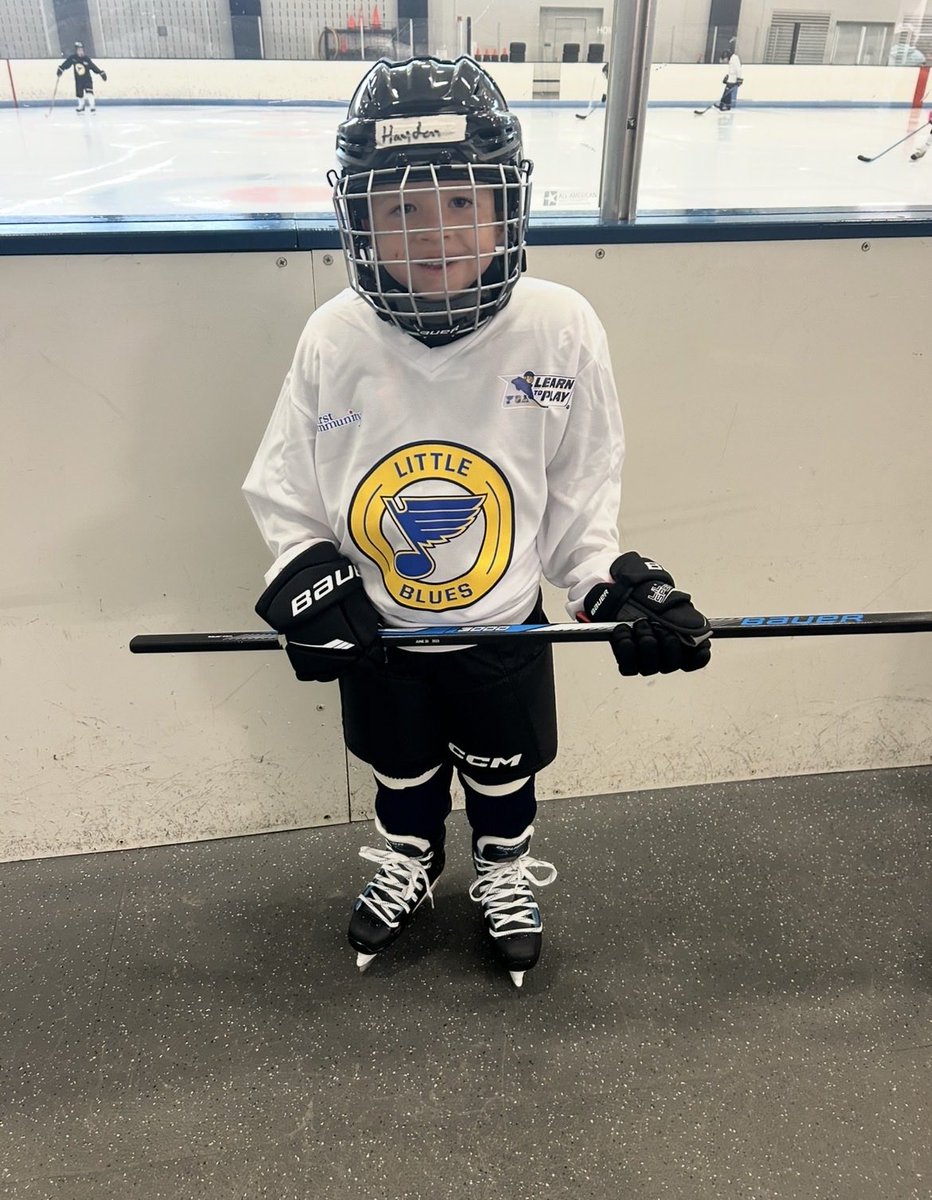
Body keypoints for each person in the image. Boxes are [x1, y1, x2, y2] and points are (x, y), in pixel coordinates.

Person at [242, 55, 712, 989]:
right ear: (359, 217)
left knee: (503, 771)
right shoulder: (335, 337)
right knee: (401, 770)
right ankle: (410, 863)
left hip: (500, 624)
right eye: (401, 209)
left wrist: (610, 586)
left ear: (508, 206)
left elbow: (582, 498)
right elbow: (288, 487)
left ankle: (502, 869)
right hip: (384, 635)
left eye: (462, 202)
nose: (435, 234)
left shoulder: (559, 325)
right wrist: (302, 573)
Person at [56, 41, 107, 113]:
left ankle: (92, 106)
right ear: (76, 51)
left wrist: (100, 72)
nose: (80, 51)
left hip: (87, 79)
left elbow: (93, 67)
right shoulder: (73, 58)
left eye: (81, 50)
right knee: (79, 94)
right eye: (79, 50)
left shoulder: (86, 59)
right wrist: (61, 69)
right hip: (78, 80)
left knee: (89, 92)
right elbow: (66, 64)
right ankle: (81, 106)